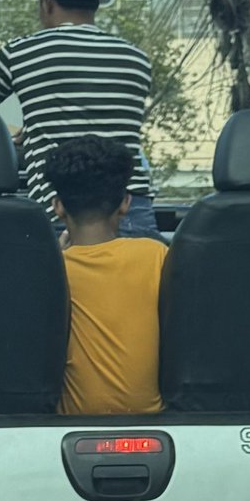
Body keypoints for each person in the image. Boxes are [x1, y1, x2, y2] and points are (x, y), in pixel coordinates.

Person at [0, 0, 162, 240]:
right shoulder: (136, 58)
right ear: (96, 3)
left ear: (45, 1)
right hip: (131, 209)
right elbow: (102, 119)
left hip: (64, 212)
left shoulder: (21, 53)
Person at [45, 136, 167, 415]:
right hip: (152, 422)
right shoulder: (155, 256)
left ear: (58, 206)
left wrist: (55, 256)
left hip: (69, 426)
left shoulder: (51, 270)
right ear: (125, 203)